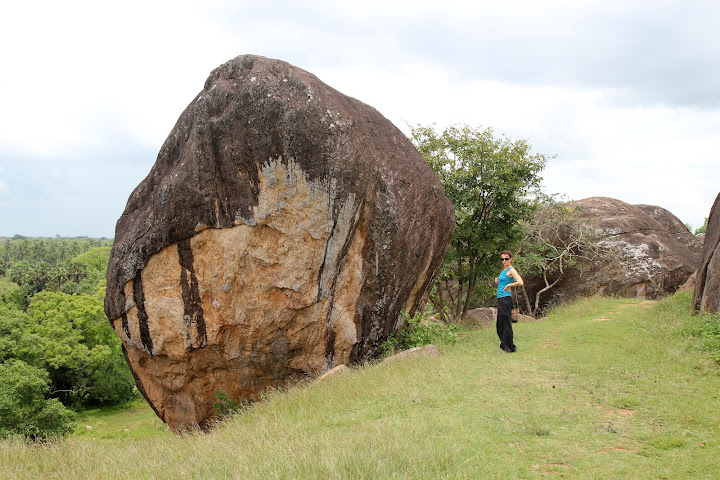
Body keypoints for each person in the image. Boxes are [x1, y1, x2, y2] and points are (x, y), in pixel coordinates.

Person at [494, 250, 524, 353]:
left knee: (505, 324)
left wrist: (509, 285)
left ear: (510, 259)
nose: (504, 261)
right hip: (501, 299)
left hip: (506, 298)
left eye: (506, 258)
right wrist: (497, 280)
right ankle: (506, 346)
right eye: (502, 259)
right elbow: (504, 280)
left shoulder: (511, 270)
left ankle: (509, 348)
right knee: (500, 324)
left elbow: (520, 282)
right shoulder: (504, 270)